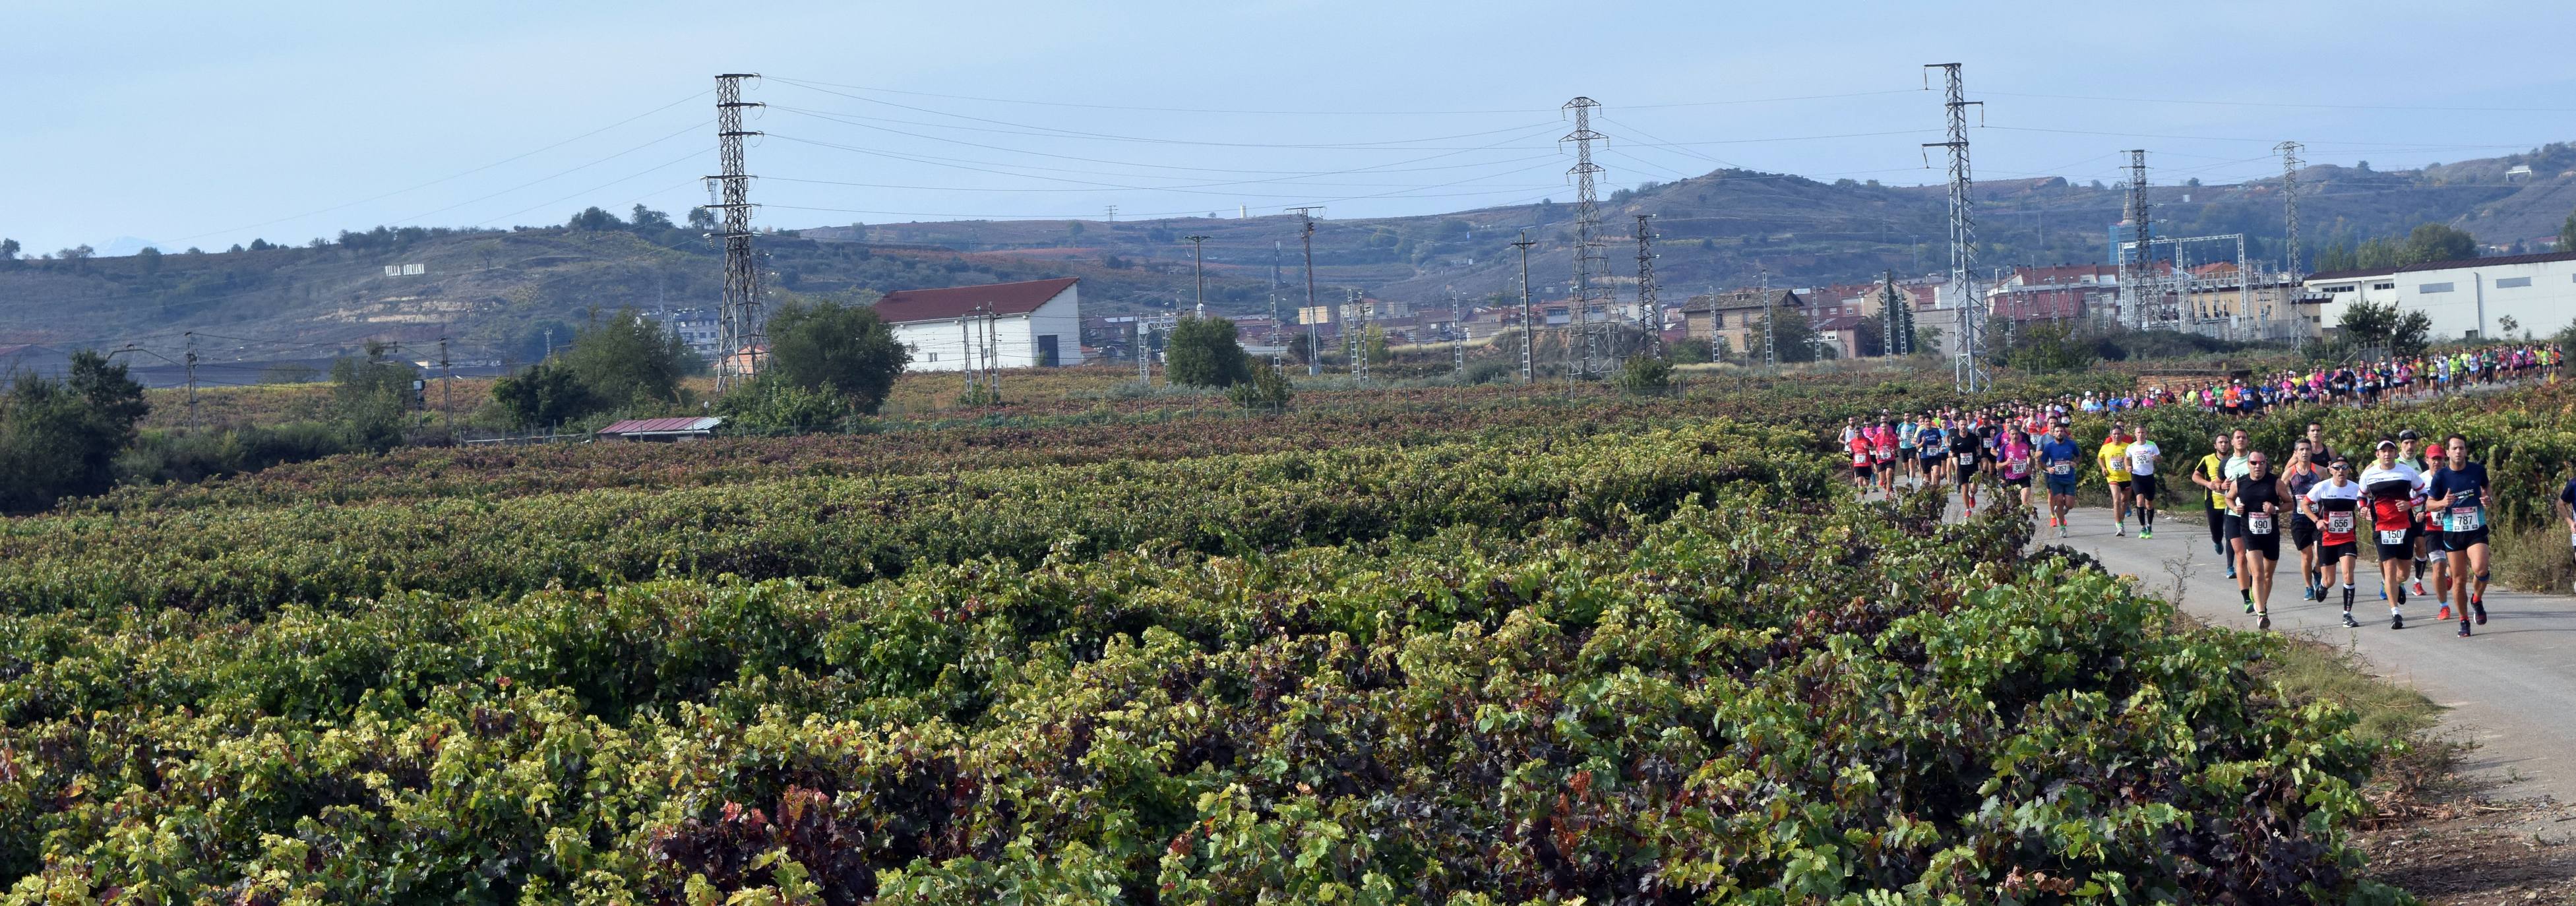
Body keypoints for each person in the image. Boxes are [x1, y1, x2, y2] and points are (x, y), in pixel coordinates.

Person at [2427, 434, 2492, 636]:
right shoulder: (2441, 477)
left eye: (2461, 448)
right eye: (2454, 448)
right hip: (2453, 532)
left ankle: (2477, 600)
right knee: (2459, 579)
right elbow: (2429, 504)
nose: (2458, 451)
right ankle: (2464, 620)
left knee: (2481, 569)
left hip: (2476, 529)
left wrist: (2488, 497)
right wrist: (2442, 503)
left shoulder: (2477, 470)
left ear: (2466, 451)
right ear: (2448, 453)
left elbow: (2486, 487)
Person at [2361, 439, 2426, 630]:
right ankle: (2395, 613)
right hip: (2382, 527)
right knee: (2389, 569)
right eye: (2384, 451)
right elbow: (2361, 496)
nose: (2387, 454)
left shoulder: (2407, 472)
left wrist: (2410, 504)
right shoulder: (2369, 474)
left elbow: (2424, 494)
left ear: (2395, 453)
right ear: (2377, 454)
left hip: (2404, 526)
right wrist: (2363, 509)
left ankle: (2398, 585)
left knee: (2403, 573)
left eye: (2391, 451)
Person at [2230, 450, 2289, 630]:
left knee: (2267, 576)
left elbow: (2290, 503)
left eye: (2261, 463)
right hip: (2250, 533)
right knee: (2257, 573)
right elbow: (2228, 498)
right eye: (2254, 463)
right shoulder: (2240, 483)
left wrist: (2275, 509)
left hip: (2271, 534)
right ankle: (2262, 614)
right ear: (2248, 464)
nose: (2258, 466)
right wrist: (2235, 508)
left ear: (2266, 464)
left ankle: (2261, 603)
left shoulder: (2275, 482)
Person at [2304, 457, 2366, 627]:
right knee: (2330, 580)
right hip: (2327, 539)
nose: (2341, 471)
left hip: (2347, 538)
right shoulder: (2322, 487)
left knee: (2348, 574)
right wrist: (2317, 521)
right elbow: (2305, 504)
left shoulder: (2355, 488)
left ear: (2348, 470)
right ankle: (2323, 585)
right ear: (2330, 469)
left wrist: (2365, 510)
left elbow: (2365, 503)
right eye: (2337, 468)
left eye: (2345, 468)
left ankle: (2347, 615)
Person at [2283, 440, 2328, 601]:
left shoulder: (2321, 471)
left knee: (2320, 555)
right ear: (2296, 452)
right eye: (2301, 449)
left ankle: (2317, 571)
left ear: (2311, 452)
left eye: (2308, 449)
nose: (2305, 452)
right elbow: (2280, 490)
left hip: (2317, 519)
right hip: (2299, 519)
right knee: (2306, 555)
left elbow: (2327, 492)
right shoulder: (2290, 473)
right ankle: (2309, 587)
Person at [2193, 433, 2237, 579]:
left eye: (2226, 442)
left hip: (2231, 503)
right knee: (2217, 533)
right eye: (2220, 442)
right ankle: (2217, 541)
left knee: (2230, 535)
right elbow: (2195, 476)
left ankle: (2230, 567)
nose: (2223, 444)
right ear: (2215, 445)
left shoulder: (2234, 460)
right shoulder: (2208, 459)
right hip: (2213, 502)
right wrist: (2208, 484)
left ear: (2229, 444)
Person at [2040, 423, 2081, 537]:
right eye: (2057, 431)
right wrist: (2048, 468)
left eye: (2061, 431)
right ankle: (2063, 528)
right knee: (2059, 501)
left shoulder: (2071, 444)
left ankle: (2062, 510)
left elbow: (2079, 456)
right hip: (2055, 479)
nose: (2059, 433)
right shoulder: (2049, 446)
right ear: (2053, 433)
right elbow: (2042, 462)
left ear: (2065, 433)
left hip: (2069, 478)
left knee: (2070, 505)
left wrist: (2075, 463)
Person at [2125, 425, 2162, 539]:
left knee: (2149, 504)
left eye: (2143, 432)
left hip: (2149, 477)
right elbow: (2127, 458)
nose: (2141, 435)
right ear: (2135, 434)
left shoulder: (2152, 445)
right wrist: (2127, 467)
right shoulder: (2131, 447)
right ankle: (2142, 528)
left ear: (2146, 434)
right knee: (2139, 501)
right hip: (2137, 477)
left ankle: (2149, 525)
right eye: (2138, 433)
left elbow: (2160, 459)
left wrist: (2157, 458)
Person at [2099, 424, 2133, 536]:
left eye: (2119, 434)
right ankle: (2119, 525)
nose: (2117, 436)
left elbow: (2134, 458)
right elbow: (2100, 458)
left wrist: (2130, 466)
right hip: (2113, 477)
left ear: (2122, 435)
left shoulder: (2128, 447)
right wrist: (2103, 467)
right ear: (2111, 435)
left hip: (2126, 477)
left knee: (2124, 502)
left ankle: (2121, 522)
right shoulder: (2106, 447)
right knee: (2117, 500)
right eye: (2114, 434)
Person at [1948, 419, 1983, 512]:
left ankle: (1972, 495)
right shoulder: (1955, 439)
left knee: (1973, 488)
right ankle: (1967, 509)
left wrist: (1979, 456)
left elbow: (1979, 448)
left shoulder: (1973, 437)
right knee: (1965, 488)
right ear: (1958, 426)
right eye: (1961, 425)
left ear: (1967, 425)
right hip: (1962, 467)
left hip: (1973, 466)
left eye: (1965, 425)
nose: (1963, 427)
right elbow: (1951, 452)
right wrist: (1951, 455)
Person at [2000, 428, 2035, 514]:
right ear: (2009, 435)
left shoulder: (2025, 446)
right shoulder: (2005, 448)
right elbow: (1998, 465)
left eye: (2016, 434)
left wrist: (2029, 468)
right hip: (2011, 479)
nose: (2015, 436)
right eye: (2013, 434)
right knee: (2012, 503)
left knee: (2025, 501)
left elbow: (2029, 457)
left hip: (2024, 477)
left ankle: (2024, 519)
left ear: (2019, 435)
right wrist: (2006, 463)